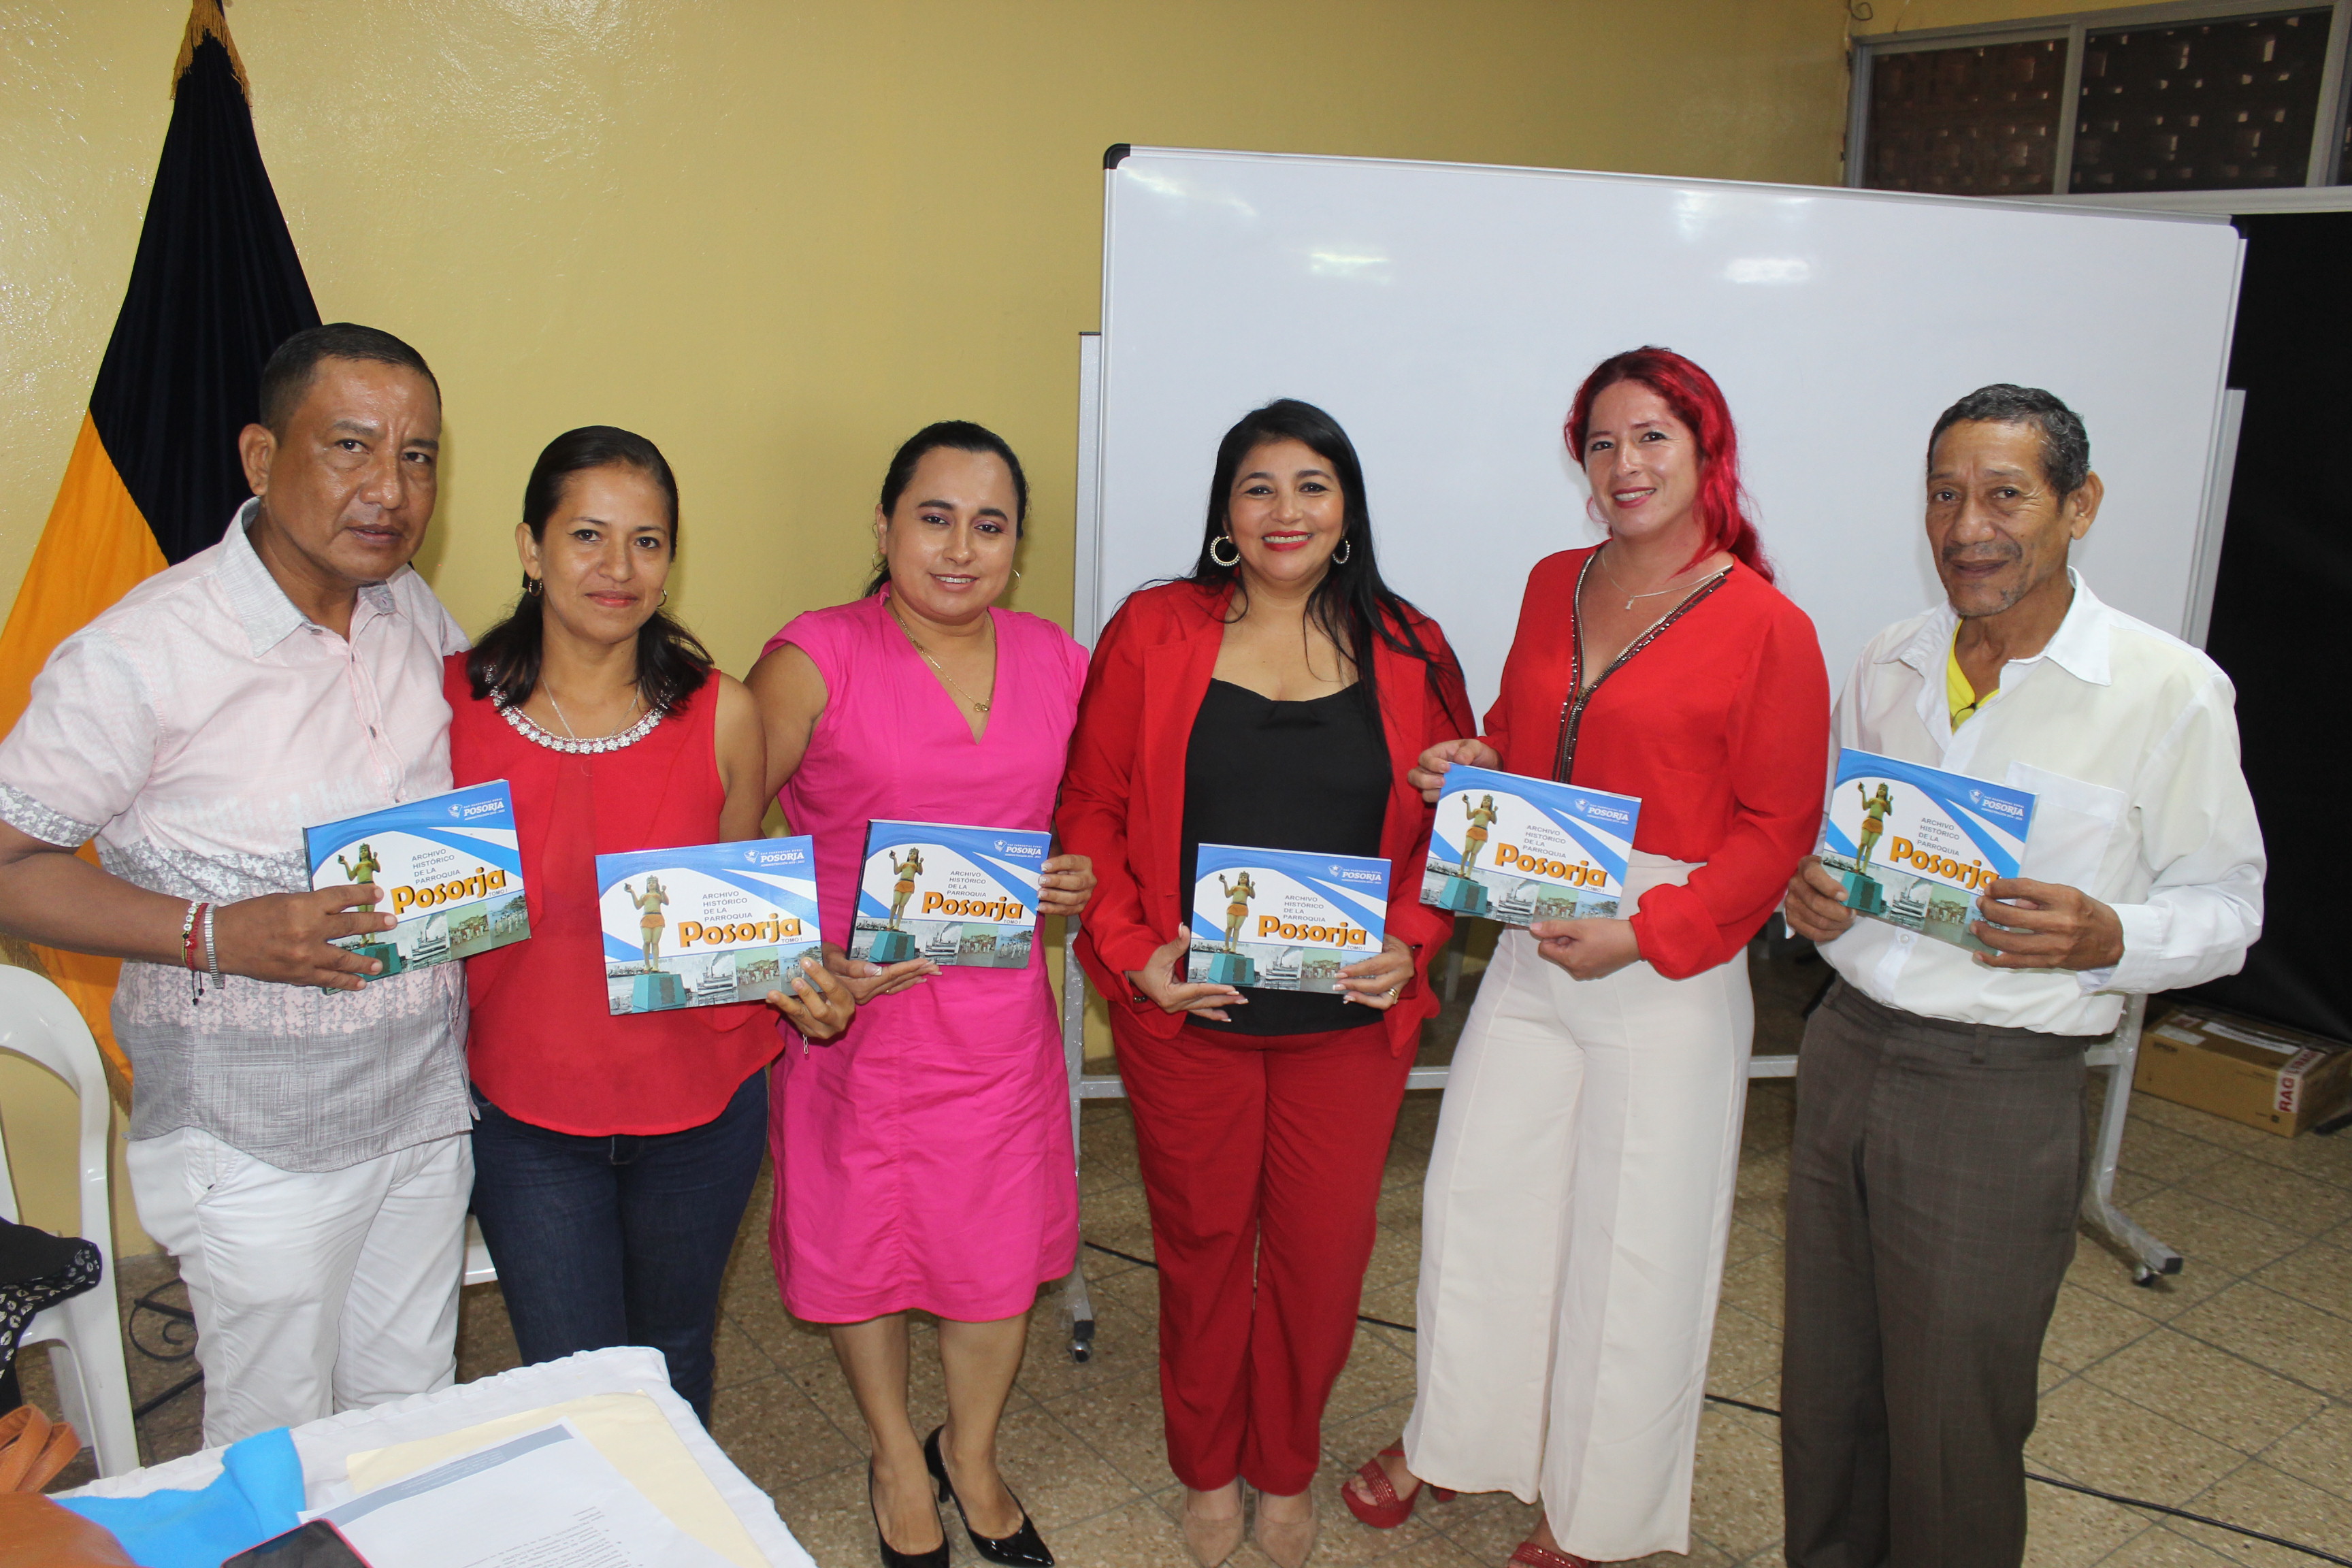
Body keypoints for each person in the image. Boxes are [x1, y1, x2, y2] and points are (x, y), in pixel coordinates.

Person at [1349, 348, 1831, 1567]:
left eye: (1653, 436)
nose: (1626, 464)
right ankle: (1460, 1440)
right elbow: (1525, 737)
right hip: (1533, 923)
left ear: (1707, 452)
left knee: (1637, 1248)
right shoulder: (1552, 581)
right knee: (1479, 1199)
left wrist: (1647, 933)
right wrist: (1475, 761)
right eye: (1603, 443)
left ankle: (1598, 1511)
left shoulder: (1769, 626)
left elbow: (1778, 829)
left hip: (1667, 953)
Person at [1778, 385, 2264, 1568]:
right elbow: (1847, 848)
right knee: (1827, 1394)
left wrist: (2111, 935)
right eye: (1945, 495)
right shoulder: (1890, 661)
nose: (1968, 527)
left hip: (1998, 1089)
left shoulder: (2165, 690)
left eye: (2005, 495)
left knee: (1957, 1421)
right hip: (1845, 1047)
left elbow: (2230, 909)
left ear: (2078, 506)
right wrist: (1811, 895)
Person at [0, 324, 474, 1445]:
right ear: (262, 458)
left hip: (420, 1110)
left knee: (409, 1418)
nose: (390, 489)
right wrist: (212, 931)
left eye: (417, 456)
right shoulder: (145, 655)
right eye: (351, 446)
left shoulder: (412, 614)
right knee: (275, 1443)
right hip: (252, 1138)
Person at [1060, 399, 1471, 1568]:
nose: (1285, 511)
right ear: (1225, 513)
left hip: (1347, 1025)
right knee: (1199, 1253)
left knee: (1320, 1265)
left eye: (1311, 486)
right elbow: (1090, 804)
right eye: (1258, 487)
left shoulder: (1413, 645)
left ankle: (1283, 1466)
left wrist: (1414, 939)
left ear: (1347, 511)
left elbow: (1459, 821)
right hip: (1191, 1019)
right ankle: (1206, 1466)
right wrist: (1132, 951)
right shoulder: (1154, 628)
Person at [446, 425, 853, 1428]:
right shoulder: (451, 708)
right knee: (574, 1380)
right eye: (587, 536)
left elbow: (736, 917)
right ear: (531, 548)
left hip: (702, 1109)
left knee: (675, 1356)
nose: (618, 569)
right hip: (529, 1119)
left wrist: (808, 977)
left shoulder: (723, 712)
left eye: (647, 541)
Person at [747, 421, 1095, 1568]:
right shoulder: (815, 655)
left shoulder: (1058, 660)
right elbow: (726, 824)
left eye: (990, 526)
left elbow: (1094, 813)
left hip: (997, 1025)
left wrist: (1083, 871)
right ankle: (898, 1455)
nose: (959, 549)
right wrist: (798, 959)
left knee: (994, 1254)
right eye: (934, 518)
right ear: (885, 526)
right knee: (864, 1247)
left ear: (1016, 546)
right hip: (852, 1021)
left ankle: (972, 1454)